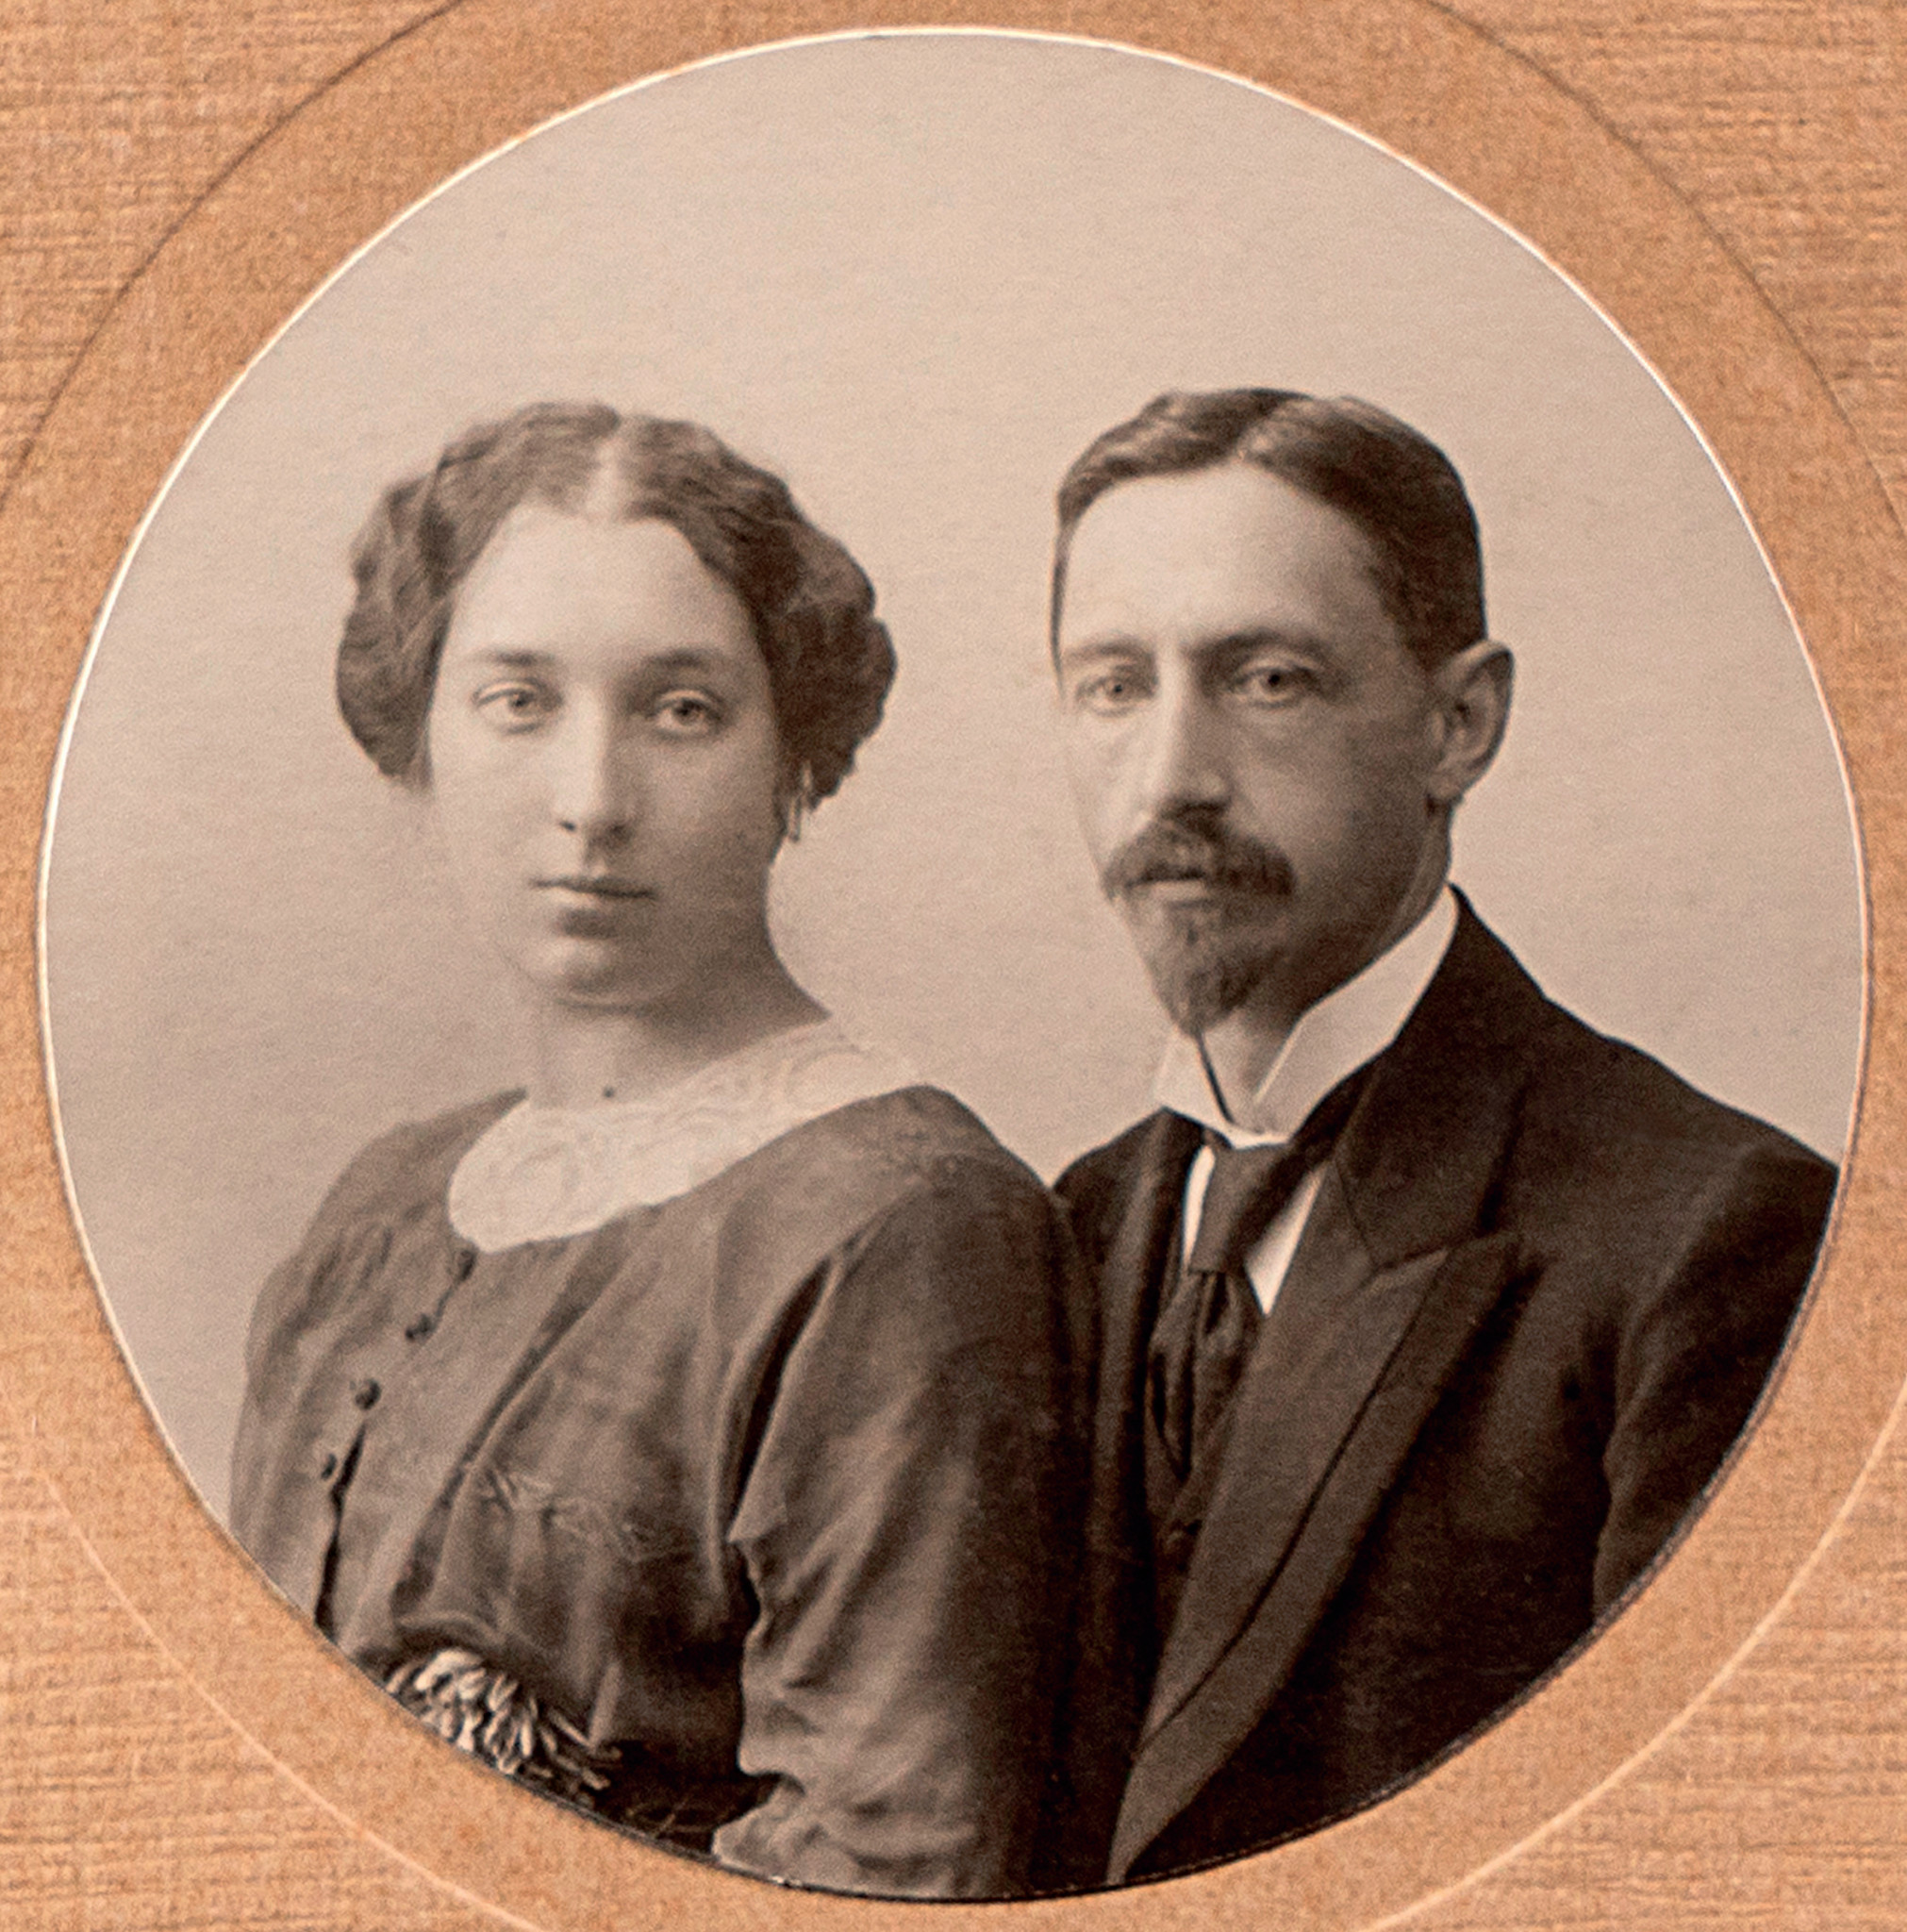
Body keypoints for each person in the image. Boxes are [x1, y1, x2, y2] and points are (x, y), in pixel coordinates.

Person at [229, 402, 1087, 1900]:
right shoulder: (379, 1207)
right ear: (419, 736)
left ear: (792, 754)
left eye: (680, 710)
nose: (592, 803)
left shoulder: (899, 1228)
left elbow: (894, 1861)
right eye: (516, 701)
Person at [1045, 388, 1837, 1885]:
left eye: (1266, 680)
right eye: (1112, 687)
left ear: (1458, 725)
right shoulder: (1065, 1229)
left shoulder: (1708, 1239)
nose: (1169, 778)